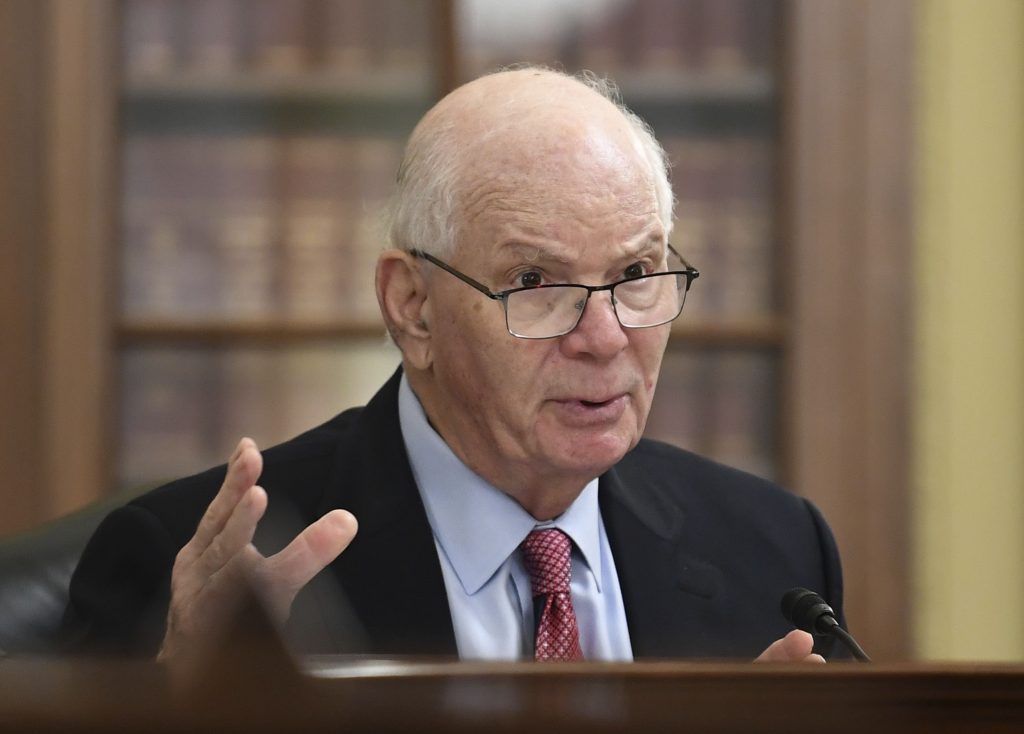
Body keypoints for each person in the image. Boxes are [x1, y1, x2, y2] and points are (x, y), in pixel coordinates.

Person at [63, 67, 844, 664]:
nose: (605, 336)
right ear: (413, 307)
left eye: (637, 276)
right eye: (535, 283)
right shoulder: (189, 570)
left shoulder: (775, 552)